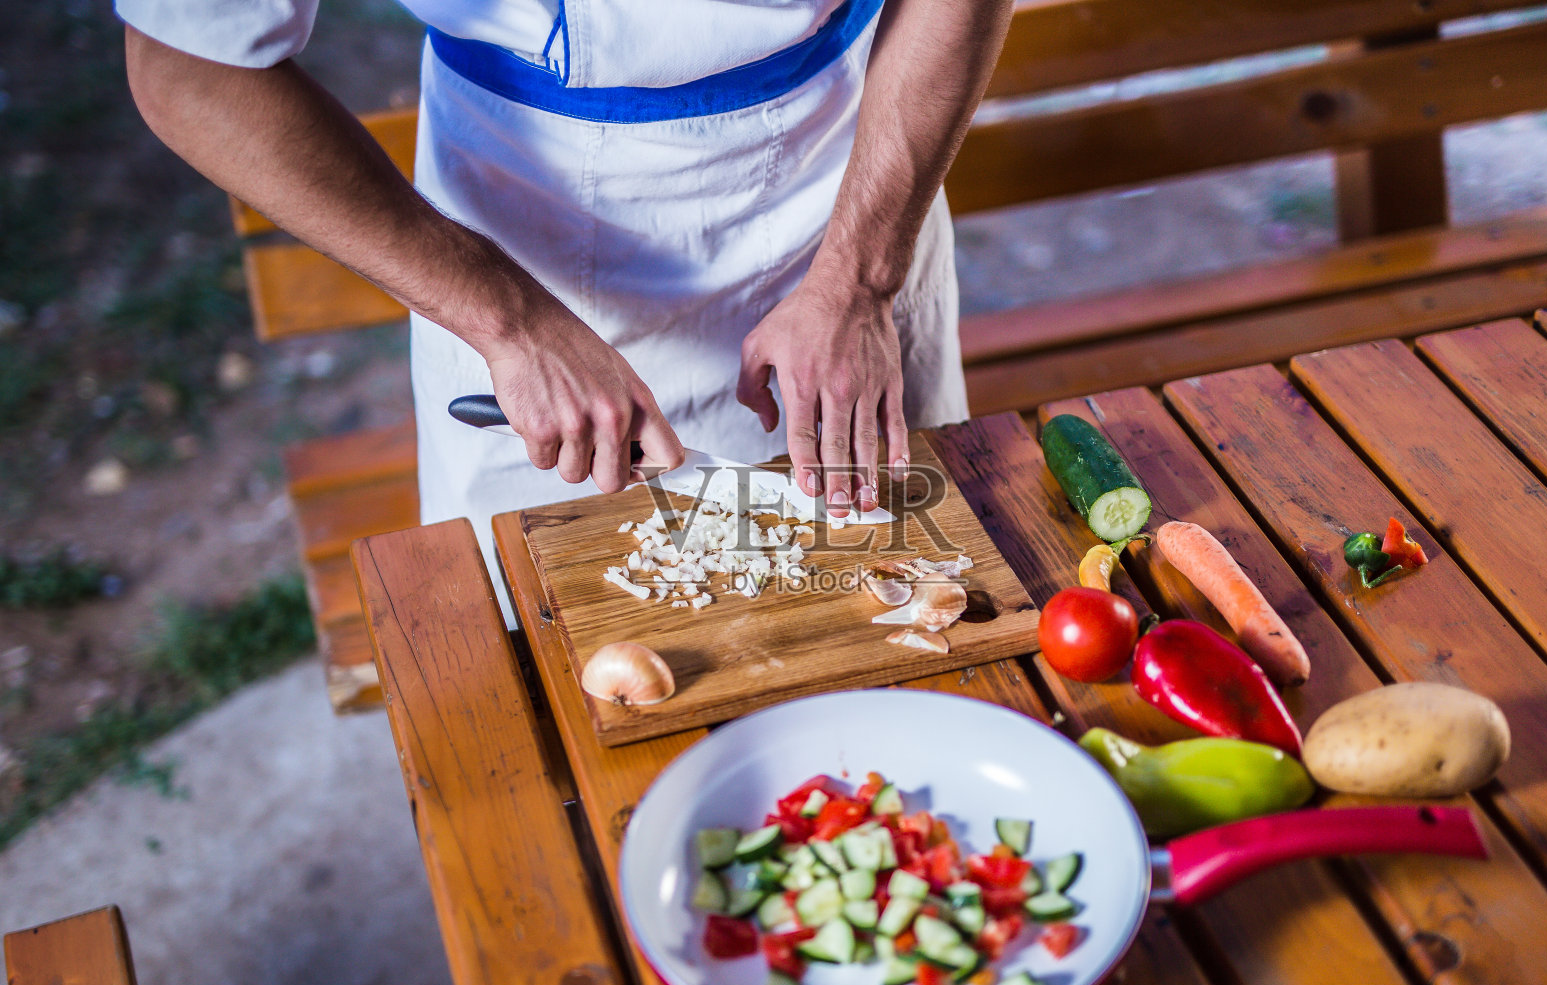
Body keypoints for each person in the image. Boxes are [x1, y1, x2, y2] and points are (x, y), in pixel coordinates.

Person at [120, 0, 1012, 612]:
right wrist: (504, 321)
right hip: (519, 230)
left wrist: (859, 278)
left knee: (913, 598)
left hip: (851, 175)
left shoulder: (862, 258)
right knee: (544, 654)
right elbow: (185, 67)